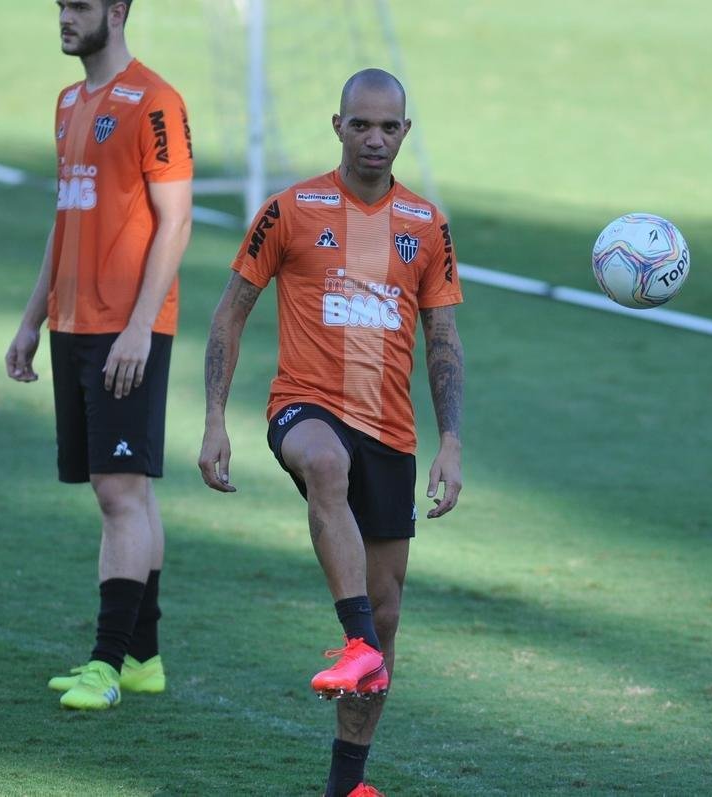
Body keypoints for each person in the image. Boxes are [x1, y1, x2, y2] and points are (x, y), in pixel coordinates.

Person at [199, 68, 464, 797]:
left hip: (392, 431)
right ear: (337, 125)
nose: (374, 138)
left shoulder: (426, 224)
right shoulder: (291, 208)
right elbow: (229, 312)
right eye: (361, 124)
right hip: (305, 404)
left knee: (389, 615)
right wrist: (215, 418)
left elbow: (444, 337)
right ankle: (353, 642)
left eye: (389, 127)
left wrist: (451, 440)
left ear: (405, 131)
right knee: (322, 463)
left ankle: (347, 783)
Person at [5, 0, 193, 710]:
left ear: (117, 12)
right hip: (73, 324)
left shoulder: (156, 102)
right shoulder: (68, 103)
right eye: (60, 5)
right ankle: (143, 656)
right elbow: (66, 215)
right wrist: (31, 319)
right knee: (127, 491)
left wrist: (142, 326)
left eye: (79, 6)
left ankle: (106, 665)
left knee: (119, 493)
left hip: (127, 328)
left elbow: (175, 223)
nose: (64, 16)